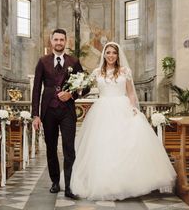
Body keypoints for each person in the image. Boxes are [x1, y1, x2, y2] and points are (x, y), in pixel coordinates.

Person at [71, 42, 176, 200]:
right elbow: (84, 89)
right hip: (102, 110)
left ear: (117, 55)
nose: (111, 55)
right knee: (103, 146)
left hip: (122, 107)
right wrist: (77, 87)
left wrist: (134, 108)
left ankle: (127, 183)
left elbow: (131, 93)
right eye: (108, 53)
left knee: (125, 145)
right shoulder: (97, 72)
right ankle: (105, 183)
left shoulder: (125, 71)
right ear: (104, 55)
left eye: (114, 53)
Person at [31, 29, 87, 199]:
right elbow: (36, 89)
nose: (59, 42)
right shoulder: (42, 61)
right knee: (51, 147)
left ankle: (69, 185)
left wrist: (72, 94)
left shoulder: (74, 61)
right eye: (56, 39)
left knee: (69, 147)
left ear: (66, 42)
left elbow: (85, 86)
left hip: (67, 111)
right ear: (51, 41)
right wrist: (36, 115)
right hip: (48, 111)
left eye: (62, 40)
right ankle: (55, 181)